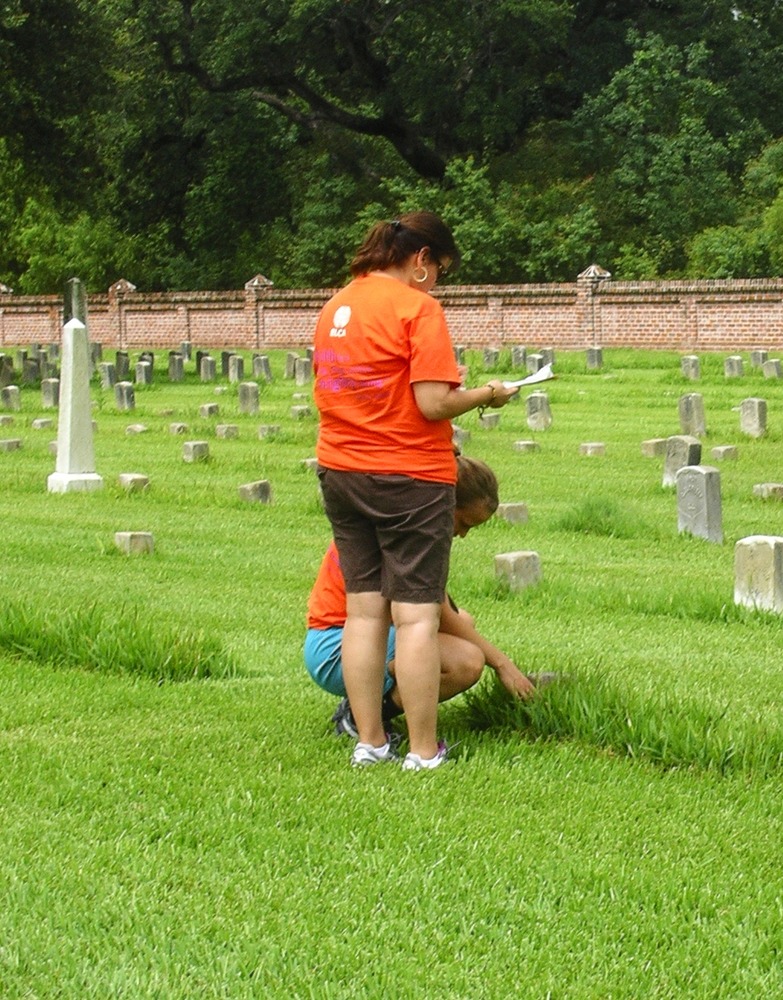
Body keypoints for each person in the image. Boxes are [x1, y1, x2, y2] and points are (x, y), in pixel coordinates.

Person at [313, 211, 518, 770]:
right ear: (422, 259)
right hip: (408, 473)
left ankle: (371, 743)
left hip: (340, 469)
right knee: (416, 618)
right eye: (442, 270)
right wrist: (487, 393)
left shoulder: (337, 306)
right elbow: (432, 403)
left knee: (363, 614)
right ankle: (425, 751)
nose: (439, 282)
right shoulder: (418, 308)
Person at [305, 456, 538, 744]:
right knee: (467, 662)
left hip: (342, 639)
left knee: (465, 622)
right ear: (445, 504)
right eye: (463, 522)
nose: (463, 534)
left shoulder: (405, 516)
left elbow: (444, 611)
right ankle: (362, 717)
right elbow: (441, 613)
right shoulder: (407, 532)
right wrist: (504, 665)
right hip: (333, 648)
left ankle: (365, 708)